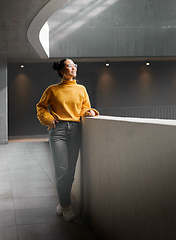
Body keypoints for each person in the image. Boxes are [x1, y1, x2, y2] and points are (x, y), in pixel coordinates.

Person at [36, 58, 98, 221]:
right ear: (62, 70)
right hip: (58, 131)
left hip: (76, 130)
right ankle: (66, 207)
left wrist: (89, 112)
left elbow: (85, 107)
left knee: (70, 172)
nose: (74, 68)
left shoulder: (81, 89)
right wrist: (49, 119)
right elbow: (40, 107)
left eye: (75, 66)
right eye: (70, 66)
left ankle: (62, 202)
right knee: (62, 170)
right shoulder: (52, 90)